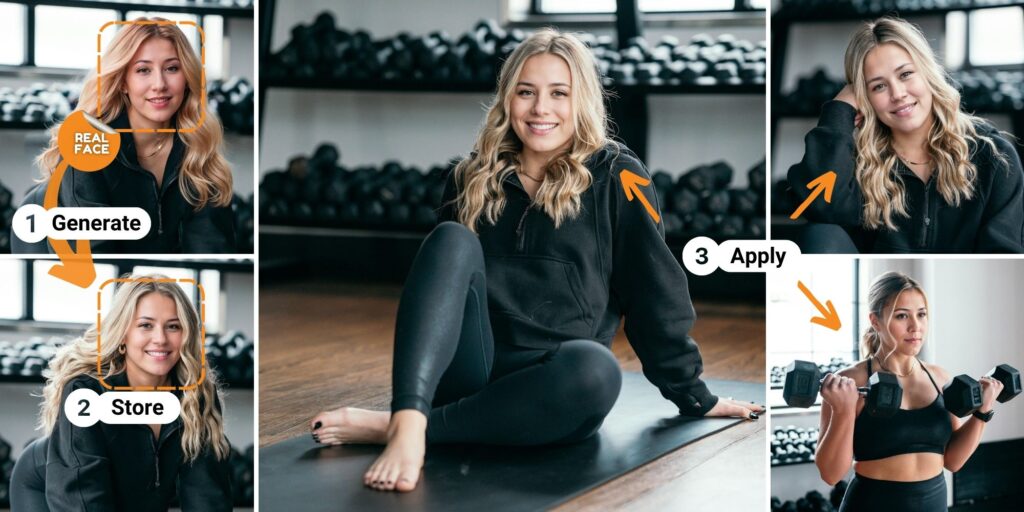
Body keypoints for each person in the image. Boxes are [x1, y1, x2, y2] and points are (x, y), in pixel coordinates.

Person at [308, 28, 763, 493]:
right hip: (471, 371)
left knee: (598, 370)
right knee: (449, 239)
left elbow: (653, 290)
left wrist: (693, 396)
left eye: (558, 93)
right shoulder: (471, 175)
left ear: (581, 99)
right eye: (526, 92)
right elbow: (442, 293)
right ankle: (408, 420)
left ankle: (401, 428)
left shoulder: (619, 175)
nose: (541, 108)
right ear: (508, 100)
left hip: (554, 386)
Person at [787, 17, 1023, 253]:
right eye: (878, 86)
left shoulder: (993, 156)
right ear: (865, 98)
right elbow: (817, 208)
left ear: (927, 73)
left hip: (955, 282)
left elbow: (1003, 253)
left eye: (906, 74)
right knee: (820, 234)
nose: (898, 94)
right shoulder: (858, 165)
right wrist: (839, 111)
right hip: (871, 278)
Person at [9, 276, 233, 511]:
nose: (160, 339)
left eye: (173, 326)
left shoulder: (196, 395)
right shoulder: (85, 393)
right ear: (123, 334)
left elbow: (206, 493)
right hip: (52, 486)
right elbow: (83, 496)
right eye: (146, 325)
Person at [24, 18, 235, 254]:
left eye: (172, 68)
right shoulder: (88, 143)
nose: (159, 84)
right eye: (143, 70)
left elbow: (211, 246)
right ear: (123, 82)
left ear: (187, 78)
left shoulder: (197, 146)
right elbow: (94, 253)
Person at [815, 272, 1004, 511]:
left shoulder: (939, 378)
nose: (916, 327)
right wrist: (842, 410)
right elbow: (831, 474)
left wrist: (983, 412)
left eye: (921, 314)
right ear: (875, 321)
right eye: (902, 315)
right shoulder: (850, 381)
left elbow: (953, 461)